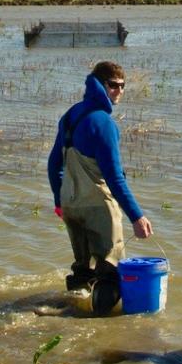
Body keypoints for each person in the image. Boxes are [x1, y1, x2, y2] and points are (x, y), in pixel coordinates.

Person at [47, 61, 153, 314]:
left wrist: (60, 202)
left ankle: (71, 310)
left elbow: (54, 165)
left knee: (82, 270)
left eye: (123, 86)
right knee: (111, 271)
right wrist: (137, 216)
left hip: (71, 205)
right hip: (99, 207)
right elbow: (115, 178)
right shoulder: (104, 124)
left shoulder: (72, 115)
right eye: (113, 85)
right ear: (100, 85)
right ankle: (98, 329)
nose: (119, 91)